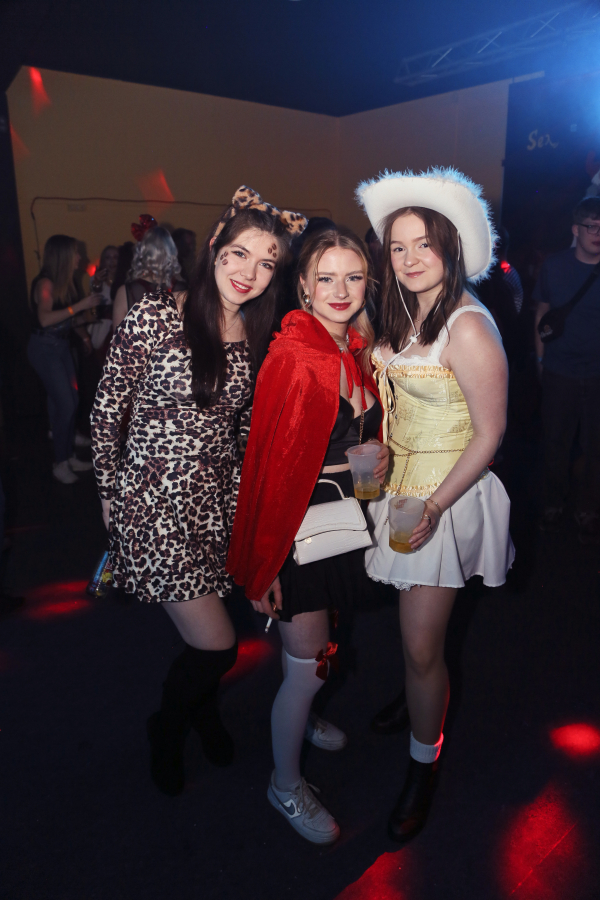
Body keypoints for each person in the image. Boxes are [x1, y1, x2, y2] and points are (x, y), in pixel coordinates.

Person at [91, 186, 307, 797]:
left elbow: (239, 432)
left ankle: (202, 712)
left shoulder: (255, 332)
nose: (250, 273)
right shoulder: (156, 314)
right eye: (239, 254)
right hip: (153, 504)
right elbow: (108, 410)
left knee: (206, 635)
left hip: (214, 506)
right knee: (216, 647)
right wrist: (109, 496)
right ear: (214, 246)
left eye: (266, 263)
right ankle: (166, 727)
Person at [356, 167, 514, 843]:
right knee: (413, 630)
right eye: (398, 246)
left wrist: (434, 507)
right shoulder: (402, 312)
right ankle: (417, 690)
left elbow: (491, 434)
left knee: (422, 646)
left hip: (443, 495)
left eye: (424, 243)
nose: (410, 257)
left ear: (451, 246)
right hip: (399, 486)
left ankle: (424, 765)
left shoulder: (468, 326)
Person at [228, 227, 389, 845]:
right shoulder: (298, 356)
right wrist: (264, 566)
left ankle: (306, 710)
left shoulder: (355, 347)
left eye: (353, 277)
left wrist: (376, 457)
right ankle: (285, 783)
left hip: (343, 522)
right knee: (307, 666)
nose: (340, 290)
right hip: (298, 534)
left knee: (323, 649)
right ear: (303, 286)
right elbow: (269, 468)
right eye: (326, 278)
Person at [533, 196, 600, 544]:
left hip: (597, 374)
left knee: (595, 448)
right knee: (555, 445)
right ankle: (553, 506)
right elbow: (542, 314)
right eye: (591, 226)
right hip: (560, 370)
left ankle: (588, 510)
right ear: (576, 229)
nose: (597, 234)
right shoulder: (555, 266)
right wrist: (540, 360)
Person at [27, 235, 103, 483]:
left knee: (68, 400)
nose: (79, 257)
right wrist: (80, 306)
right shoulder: (45, 283)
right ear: (63, 256)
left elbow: (67, 320)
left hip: (60, 347)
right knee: (66, 404)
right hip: (44, 348)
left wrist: (85, 333)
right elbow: (45, 319)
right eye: (75, 253)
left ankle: (67, 454)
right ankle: (60, 462)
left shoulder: (66, 283)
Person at [112, 222, 187, 331]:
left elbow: (117, 337)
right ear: (172, 253)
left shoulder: (125, 292)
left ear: (141, 253)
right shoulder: (183, 291)